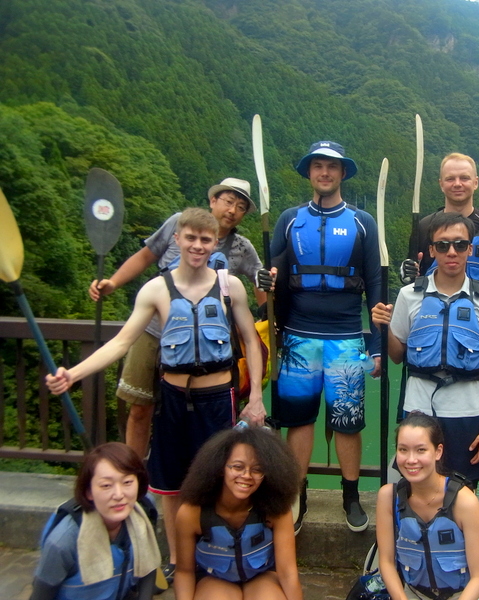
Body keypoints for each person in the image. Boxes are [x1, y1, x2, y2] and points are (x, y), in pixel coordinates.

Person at [47, 208, 267, 587]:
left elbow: (250, 339)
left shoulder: (231, 286)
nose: (197, 246)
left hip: (218, 398)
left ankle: (211, 555)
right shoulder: (156, 290)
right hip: (174, 398)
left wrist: (257, 396)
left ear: (216, 243)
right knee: (170, 483)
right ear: (177, 239)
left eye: (205, 239)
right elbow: (122, 341)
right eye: (191, 238)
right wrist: (74, 374)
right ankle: (178, 559)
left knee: (218, 478)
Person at [89, 178, 266, 461]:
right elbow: (145, 256)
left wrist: (267, 318)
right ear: (213, 201)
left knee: (198, 413)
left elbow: (261, 283)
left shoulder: (242, 247)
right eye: (228, 201)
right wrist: (113, 283)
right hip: (154, 331)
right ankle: (133, 477)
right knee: (140, 407)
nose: (233, 210)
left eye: (241, 206)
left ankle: (196, 480)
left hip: (204, 346)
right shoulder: (179, 224)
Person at [269, 141, 381, 533]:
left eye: (332, 167)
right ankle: (299, 494)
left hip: (348, 336)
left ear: (343, 173)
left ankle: (350, 495)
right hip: (298, 338)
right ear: (310, 173)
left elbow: (376, 283)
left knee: (348, 421)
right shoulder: (288, 219)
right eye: (318, 166)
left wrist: (377, 344)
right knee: (299, 421)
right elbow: (272, 278)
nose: (325, 173)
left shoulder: (362, 221)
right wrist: (264, 285)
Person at [372, 212, 479, 485]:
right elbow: (397, 356)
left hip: (467, 411)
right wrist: (383, 328)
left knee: (461, 490)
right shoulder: (410, 295)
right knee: (413, 487)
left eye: (459, 244)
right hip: (418, 408)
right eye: (443, 245)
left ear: (470, 249)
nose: (451, 252)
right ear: (432, 250)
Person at [174, 425, 302, 600]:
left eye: (257, 469)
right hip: (214, 579)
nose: (247, 475)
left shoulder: (276, 508)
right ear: (220, 468)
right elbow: (184, 571)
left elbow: (287, 572)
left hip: (262, 577)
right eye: (237, 467)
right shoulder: (192, 512)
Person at [376, 412, 479, 600]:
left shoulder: (464, 501)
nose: (411, 460)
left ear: (438, 451)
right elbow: (387, 562)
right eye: (403, 450)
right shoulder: (388, 498)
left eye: (421, 450)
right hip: (412, 593)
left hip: (464, 594)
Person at [30, 442, 161, 600]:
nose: (119, 495)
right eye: (106, 485)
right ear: (89, 492)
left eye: (127, 482)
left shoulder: (143, 512)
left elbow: (148, 566)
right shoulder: (63, 541)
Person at [403, 153, 479, 314]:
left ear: (475, 182)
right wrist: (407, 274)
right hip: (434, 325)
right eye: (450, 179)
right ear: (441, 184)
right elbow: (412, 283)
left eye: (464, 178)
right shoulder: (425, 227)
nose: (457, 184)